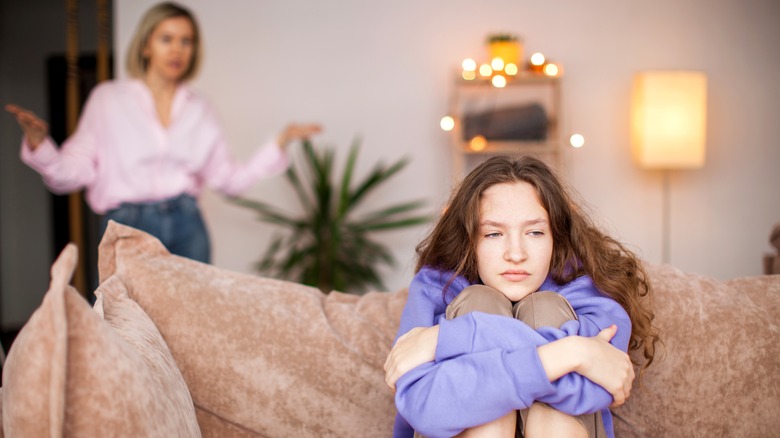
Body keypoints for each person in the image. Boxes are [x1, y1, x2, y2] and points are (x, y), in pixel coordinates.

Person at [5, 2, 320, 263]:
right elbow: (71, 173)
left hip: (188, 225)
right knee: (122, 317)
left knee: (192, 317)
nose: (177, 50)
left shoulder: (200, 108)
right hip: (127, 227)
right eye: (166, 39)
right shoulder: (108, 99)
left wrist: (280, 142)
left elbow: (230, 181)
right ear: (146, 45)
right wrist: (40, 144)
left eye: (186, 41)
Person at [384, 156, 659, 438]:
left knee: (546, 307)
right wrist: (573, 352)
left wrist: (450, 338)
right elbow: (427, 407)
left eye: (535, 232)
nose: (516, 254)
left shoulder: (592, 288)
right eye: (493, 234)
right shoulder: (436, 287)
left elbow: (600, 385)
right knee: (479, 300)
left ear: (555, 236)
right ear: (469, 239)